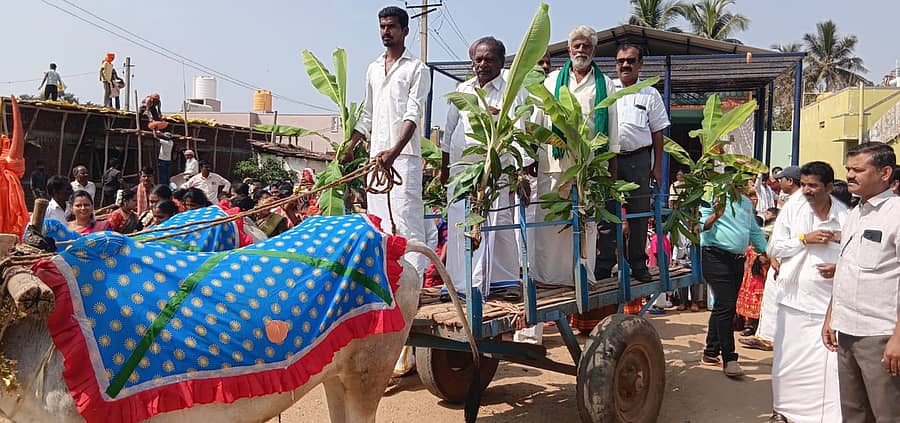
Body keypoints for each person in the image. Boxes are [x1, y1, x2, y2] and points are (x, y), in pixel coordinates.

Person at [343, 6, 431, 277]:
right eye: (382, 27)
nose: (386, 32)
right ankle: (386, 281)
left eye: (391, 27)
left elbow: (413, 115)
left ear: (404, 31)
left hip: (403, 158)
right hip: (376, 160)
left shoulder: (417, 69)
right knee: (378, 221)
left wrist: (394, 152)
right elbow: (367, 114)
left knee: (406, 219)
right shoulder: (372, 68)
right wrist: (352, 143)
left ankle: (414, 281)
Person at [532, 25, 619, 287]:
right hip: (554, 164)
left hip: (588, 168)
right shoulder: (551, 81)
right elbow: (538, 123)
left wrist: (610, 173)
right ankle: (547, 278)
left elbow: (612, 131)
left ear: (593, 50)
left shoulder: (606, 85)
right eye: (577, 46)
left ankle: (580, 275)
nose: (581, 50)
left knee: (586, 224)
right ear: (569, 49)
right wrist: (529, 161)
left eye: (586, 46)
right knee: (550, 224)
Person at [441, 36, 527, 299]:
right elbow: (449, 131)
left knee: (497, 226)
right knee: (459, 226)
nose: (482, 64)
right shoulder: (463, 90)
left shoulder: (510, 90)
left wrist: (520, 173)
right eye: (478, 59)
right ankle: (458, 284)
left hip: (495, 172)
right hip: (461, 172)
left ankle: (502, 282)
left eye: (489, 59)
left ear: (501, 62)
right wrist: (444, 170)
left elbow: (519, 131)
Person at [764, 161, 847, 423]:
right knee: (787, 364)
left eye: (814, 186)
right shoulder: (792, 211)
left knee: (829, 367)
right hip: (793, 301)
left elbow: (858, 255)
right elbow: (774, 249)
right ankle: (784, 412)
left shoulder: (845, 216)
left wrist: (838, 267)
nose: (807, 191)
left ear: (829, 188)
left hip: (828, 306)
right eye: (805, 185)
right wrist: (803, 239)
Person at [823, 142, 900, 421]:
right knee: (854, 411)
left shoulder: (896, 214)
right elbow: (848, 267)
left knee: (888, 412)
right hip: (847, 330)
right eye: (848, 169)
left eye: (858, 169)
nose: (850, 175)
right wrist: (832, 314)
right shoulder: (855, 213)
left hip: (880, 333)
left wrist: (898, 338)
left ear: (885, 172)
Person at [596, 43, 668, 283]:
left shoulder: (650, 93)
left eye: (630, 60)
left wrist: (656, 167)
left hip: (638, 159)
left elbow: (658, 132)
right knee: (607, 215)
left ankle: (638, 264)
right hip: (610, 159)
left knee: (638, 216)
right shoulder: (606, 89)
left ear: (640, 64)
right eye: (620, 61)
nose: (625, 65)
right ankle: (605, 264)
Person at [699, 178, 768, 377]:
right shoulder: (712, 195)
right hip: (714, 256)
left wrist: (767, 254)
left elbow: (754, 231)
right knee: (726, 307)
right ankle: (730, 358)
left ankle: (710, 352)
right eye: (744, 179)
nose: (748, 183)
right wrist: (716, 214)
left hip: (737, 260)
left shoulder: (746, 203)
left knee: (723, 306)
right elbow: (700, 225)